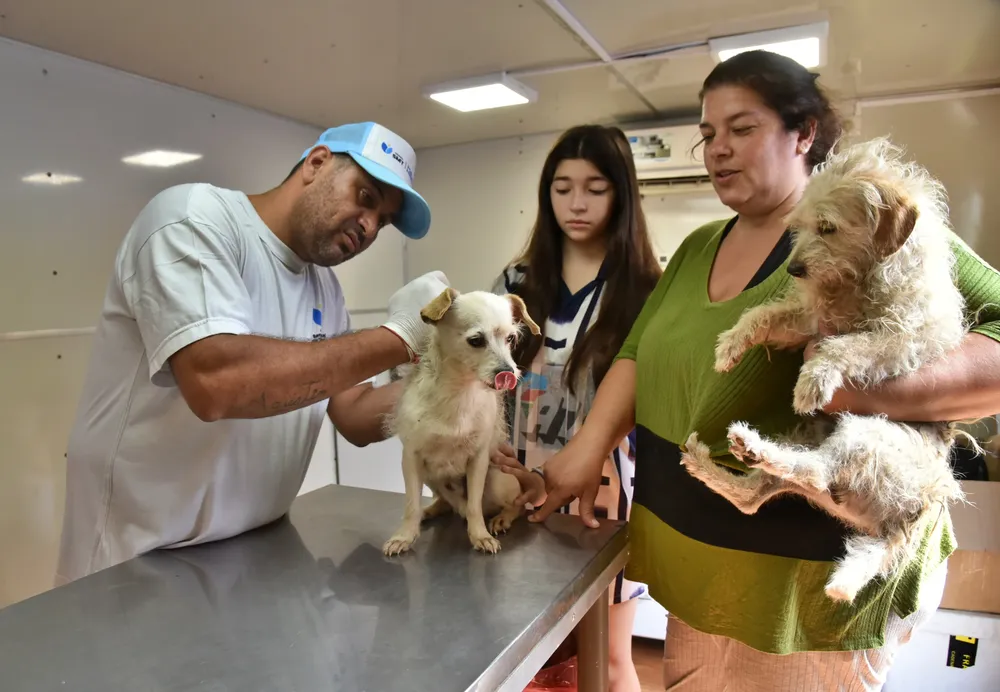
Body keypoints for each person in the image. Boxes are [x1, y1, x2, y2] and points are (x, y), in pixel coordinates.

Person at [514, 51, 1000, 690]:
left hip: (809, 588)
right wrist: (585, 449)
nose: (717, 150)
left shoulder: (865, 226)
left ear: (804, 135)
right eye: (708, 134)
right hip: (703, 577)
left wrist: (860, 384)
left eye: (742, 129)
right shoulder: (696, 248)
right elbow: (636, 352)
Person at [56, 122, 453, 585]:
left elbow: (354, 414)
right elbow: (217, 384)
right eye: (365, 197)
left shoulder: (323, 286)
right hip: (137, 563)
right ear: (316, 163)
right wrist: (399, 337)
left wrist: (451, 384)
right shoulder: (193, 220)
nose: (368, 226)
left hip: (254, 553)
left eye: (381, 221)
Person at [490, 124, 662, 692]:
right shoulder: (515, 283)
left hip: (605, 494)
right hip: (515, 482)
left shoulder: (645, 288)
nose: (577, 203)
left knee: (607, 661)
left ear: (621, 195)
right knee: (517, 648)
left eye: (595, 187)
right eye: (562, 188)